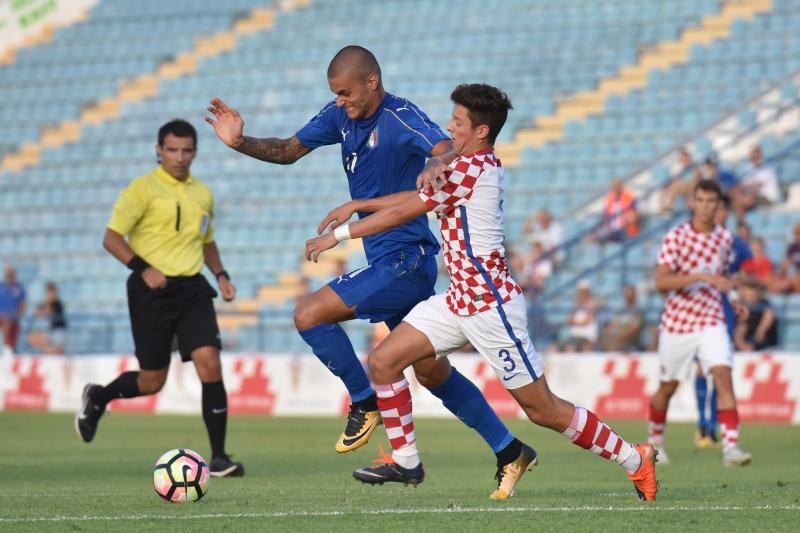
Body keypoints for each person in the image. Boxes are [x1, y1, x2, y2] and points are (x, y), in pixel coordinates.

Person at [206, 46, 533, 497]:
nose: (341, 101)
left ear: (372, 82)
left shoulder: (400, 117)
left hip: (408, 259)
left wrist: (438, 161)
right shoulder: (338, 116)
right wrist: (240, 142)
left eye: (346, 92)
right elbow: (287, 150)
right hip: (386, 260)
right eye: (335, 94)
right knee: (430, 372)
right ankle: (508, 449)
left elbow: (442, 149)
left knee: (308, 314)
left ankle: (365, 401)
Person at [305, 83, 657, 501]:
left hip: (493, 307)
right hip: (458, 302)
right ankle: (407, 461)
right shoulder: (464, 166)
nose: (449, 129)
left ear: (481, 131)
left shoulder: (475, 169)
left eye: (458, 123)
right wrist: (359, 202)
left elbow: (407, 209)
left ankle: (634, 459)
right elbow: (415, 197)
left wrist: (342, 233)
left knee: (542, 409)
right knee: (384, 361)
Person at [75, 120, 244, 477]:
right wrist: (142, 268)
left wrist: (222, 275)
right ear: (158, 151)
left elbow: (206, 239)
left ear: (195, 152)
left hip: (193, 289)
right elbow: (111, 237)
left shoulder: (203, 193)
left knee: (210, 364)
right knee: (153, 381)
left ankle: (219, 458)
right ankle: (99, 397)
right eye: (172, 150)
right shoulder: (141, 189)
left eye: (186, 151)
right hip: (151, 290)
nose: (179, 157)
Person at [648, 179, 752, 468]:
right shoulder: (676, 237)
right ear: (692, 202)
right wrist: (700, 277)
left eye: (711, 201)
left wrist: (734, 298)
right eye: (701, 200)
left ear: (718, 205)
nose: (706, 207)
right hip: (678, 322)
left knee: (723, 374)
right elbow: (661, 281)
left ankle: (731, 447)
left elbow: (724, 277)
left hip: (711, 319)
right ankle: (655, 442)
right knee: (667, 387)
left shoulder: (724, 239)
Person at [731, 146, 781, 224]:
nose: (755, 158)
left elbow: (756, 187)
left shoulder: (767, 169)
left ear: (760, 156)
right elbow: (743, 184)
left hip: (767, 197)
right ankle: (740, 224)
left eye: (757, 156)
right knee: (736, 195)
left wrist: (745, 195)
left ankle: (741, 224)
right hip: (754, 195)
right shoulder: (750, 168)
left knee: (743, 201)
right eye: (753, 156)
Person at [734, 276, 778, 351]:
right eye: (744, 290)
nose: (746, 293)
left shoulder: (765, 305)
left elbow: (763, 327)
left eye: (749, 290)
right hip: (744, 344)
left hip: (763, 343)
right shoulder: (741, 307)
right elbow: (741, 327)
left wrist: (755, 341)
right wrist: (740, 343)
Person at [26, 282, 67, 355]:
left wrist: (45, 308)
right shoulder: (45, 303)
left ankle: (53, 351)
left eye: (52, 293)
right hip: (50, 331)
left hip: (58, 331)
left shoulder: (58, 304)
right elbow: (36, 313)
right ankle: (50, 351)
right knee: (31, 338)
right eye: (49, 293)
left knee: (58, 349)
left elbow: (49, 312)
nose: (50, 295)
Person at [600, 284, 644, 352]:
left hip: (630, 342)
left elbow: (634, 329)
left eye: (629, 292)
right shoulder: (621, 311)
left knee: (615, 343)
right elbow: (613, 325)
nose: (627, 295)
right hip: (617, 339)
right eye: (625, 292)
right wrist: (607, 332)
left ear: (634, 294)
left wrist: (621, 337)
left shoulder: (638, 311)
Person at [594, 179, 640, 243]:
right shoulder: (610, 198)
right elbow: (606, 215)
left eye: (617, 187)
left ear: (621, 187)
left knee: (604, 234)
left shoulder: (629, 197)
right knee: (596, 232)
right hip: (611, 227)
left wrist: (625, 219)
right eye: (613, 187)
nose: (615, 189)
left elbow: (634, 215)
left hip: (625, 229)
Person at [560, 280, 600, 352]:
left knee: (579, 348)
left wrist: (575, 321)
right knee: (564, 347)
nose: (582, 294)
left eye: (584, 292)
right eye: (581, 291)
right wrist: (576, 321)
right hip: (575, 337)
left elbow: (585, 321)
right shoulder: (576, 305)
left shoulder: (593, 304)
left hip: (588, 337)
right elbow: (568, 320)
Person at [659, 147, 699, 214]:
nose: (682, 159)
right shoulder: (682, 169)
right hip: (684, 188)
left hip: (692, 189)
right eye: (681, 157)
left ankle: (667, 206)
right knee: (666, 186)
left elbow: (695, 182)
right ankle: (664, 207)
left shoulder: (694, 168)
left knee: (676, 184)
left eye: (683, 157)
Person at [0, 264, 26, 354]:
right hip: (1, 316)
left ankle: (8, 349)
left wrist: (17, 314)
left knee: (10, 323)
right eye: (8, 271)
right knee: (6, 320)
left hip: (13, 317)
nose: (10, 273)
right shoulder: (1, 286)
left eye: (11, 271)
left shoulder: (18, 287)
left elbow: (22, 304)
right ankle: (6, 348)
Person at [770, 222, 800, 294]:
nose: (797, 236)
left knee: (795, 279)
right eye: (795, 233)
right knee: (772, 280)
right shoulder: (792, 247)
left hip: (797, 277)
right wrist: (780, 273)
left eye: (798, 232)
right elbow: (785, 264)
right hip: (794, 277)